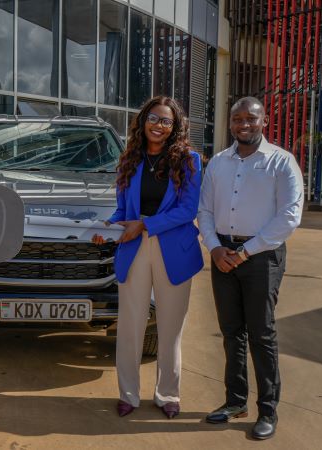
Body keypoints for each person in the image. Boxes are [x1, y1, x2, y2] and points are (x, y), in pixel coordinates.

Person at [197, 97, 304, 440]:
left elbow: (289, 217)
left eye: (251, 118)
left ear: (265, 121)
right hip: (222, 255)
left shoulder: (281, 162)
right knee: (231, 333)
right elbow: (206, 211)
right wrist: (214, 248)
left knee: (261, 333)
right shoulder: (217, 163)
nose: (244, 124)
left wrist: (243, 253)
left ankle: (268, 410)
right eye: (238, 118)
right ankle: (235, 401)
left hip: (261, 257)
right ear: (230, 123)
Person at [92, 96, 203, 419]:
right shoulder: (130, 159)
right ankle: (128, 393)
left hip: (173, 249)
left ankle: (168, 394)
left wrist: (147, 224)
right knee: (130, 325)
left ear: (175, 126)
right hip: (134, 246)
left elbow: (187, 210)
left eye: (166, 121)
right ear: (143, 122)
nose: (159, 126)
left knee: (170, 329)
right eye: (154, 118)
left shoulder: (190, 161)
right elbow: (122, 209)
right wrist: (110, 227)